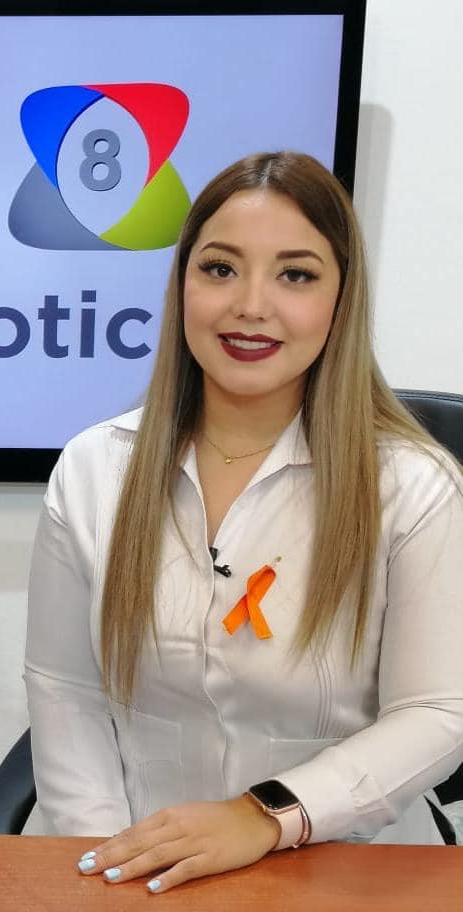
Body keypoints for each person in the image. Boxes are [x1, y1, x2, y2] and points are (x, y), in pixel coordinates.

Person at [24, 151, 463, 893]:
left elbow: (437, 712)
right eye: (220, 269)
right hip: (145, 868)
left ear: (341, 298)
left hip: (351, 867)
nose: (251, 305)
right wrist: (110, 863)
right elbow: (66, 691)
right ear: (182, 285)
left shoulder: (414, 485)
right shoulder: (96, 468)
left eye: (296, 275)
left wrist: (265, 815)